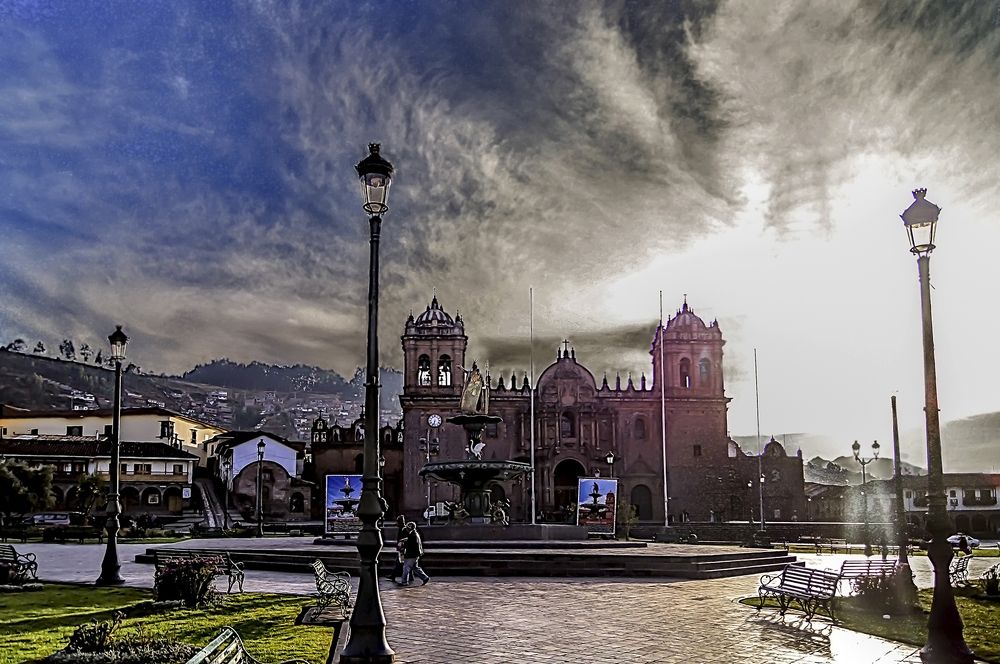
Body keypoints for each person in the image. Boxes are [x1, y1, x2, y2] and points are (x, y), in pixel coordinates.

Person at [399, 521, 430, 586]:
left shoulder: (412, 535)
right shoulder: (414, 534)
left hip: (411, 554)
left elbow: (411, 544)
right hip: (415, 554)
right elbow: (410, 540)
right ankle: (425, 578)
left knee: (406, 568)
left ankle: (404, 582)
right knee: (415, 567)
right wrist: (405, 540)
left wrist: (403, 544)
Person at [386, 515, 406, 582]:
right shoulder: (403, 528)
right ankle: (410, 576)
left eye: (397, 521)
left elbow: (402, 540)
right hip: (402, 548)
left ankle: (393, 575)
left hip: (402, 549)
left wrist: (400, 547)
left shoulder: (402, 529)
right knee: (405, 563)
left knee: (399, 563)